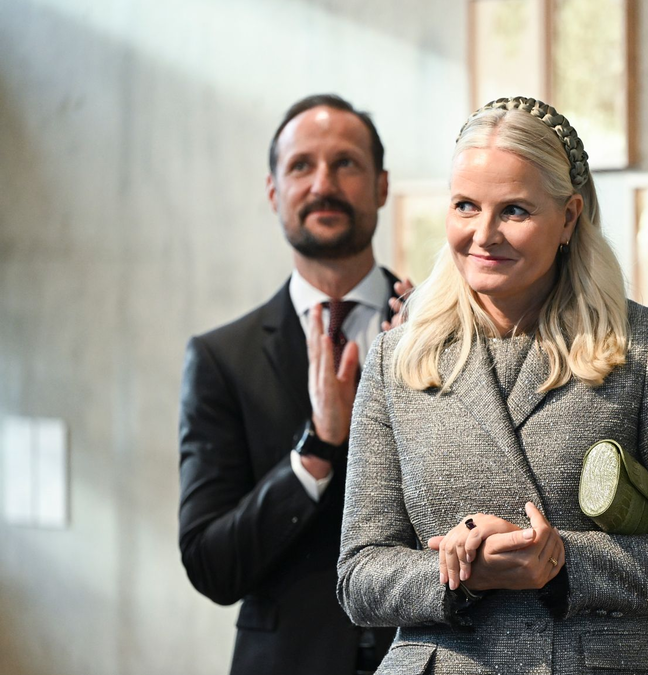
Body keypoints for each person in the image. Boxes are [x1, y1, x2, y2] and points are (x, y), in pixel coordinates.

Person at [337, 97, 648, 674]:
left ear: (570, 217)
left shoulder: (641, 344)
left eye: (515, 211)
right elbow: (358, 577)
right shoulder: (396, 359)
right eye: (465, 205)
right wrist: (461, 571)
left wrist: (562, 562)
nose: (483, 233)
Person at [178, 94, 411, 675]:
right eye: (301, 165)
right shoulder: (220, 359)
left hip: (432, 655)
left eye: (346, 164)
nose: (323, 183)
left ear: (382, 186)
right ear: (274, 190)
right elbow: (212, 564)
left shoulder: (439, 331)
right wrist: (316, 452)